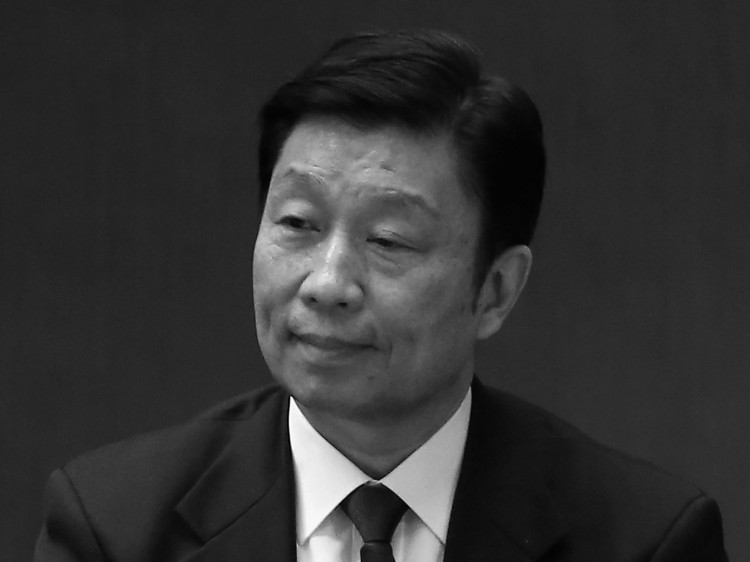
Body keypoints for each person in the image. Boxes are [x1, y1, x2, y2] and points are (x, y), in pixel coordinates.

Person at [35, 29, 728, 562]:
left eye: (389, 240)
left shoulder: (645, 540)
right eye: (298, 224)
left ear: (495, 290)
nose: (327, 284)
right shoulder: (114, 526)